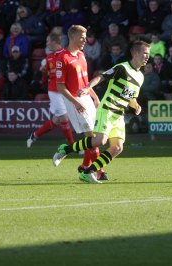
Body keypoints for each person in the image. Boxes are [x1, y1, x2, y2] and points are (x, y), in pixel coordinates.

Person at [52, 40, 150, 184]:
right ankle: (66, 149)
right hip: (108, 109)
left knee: (117, 148)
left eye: (148, 54)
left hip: (119, 114)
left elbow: (131, 97)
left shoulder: (140, 76)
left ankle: (88, 172)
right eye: (145, 53)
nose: (147, 56)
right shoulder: (122, 68)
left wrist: (136, 105)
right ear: (135, 53)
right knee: (99, 140)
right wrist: (87, 88)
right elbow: (101, 76)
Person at [53, 25, 106, 180]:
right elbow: (60, 87)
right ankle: (98, 171)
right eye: (82, 37)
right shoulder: (62, 58)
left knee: (94, 136)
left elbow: (85, 81)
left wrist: (94, 96)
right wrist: (75, 102)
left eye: (85, 37)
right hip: (74, 101)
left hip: (86, 97)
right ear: (72, 37)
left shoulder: (81, 55)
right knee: (91, 135)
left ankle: (82, 164)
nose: (85, 40)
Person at [26, 32, 75, 148]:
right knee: (64, 118)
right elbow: (46, 75)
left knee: (56, 120)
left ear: (54, 41)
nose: (46, 43)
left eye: (48, 41)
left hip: (66, 90)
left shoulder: (66, 55)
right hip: (54, 91)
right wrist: (42, 77)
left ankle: (34, 135)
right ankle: (73, 146)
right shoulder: (49, 58)